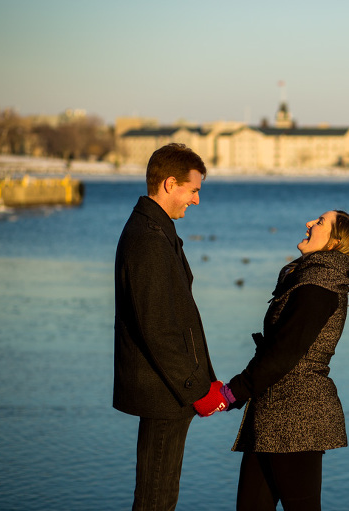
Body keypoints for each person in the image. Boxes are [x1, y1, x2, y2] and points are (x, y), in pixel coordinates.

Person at [193, 210, 349, 511]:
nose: (309, 223)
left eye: (320, 223)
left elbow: (282, 354)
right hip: (273, 415)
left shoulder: (319, 288)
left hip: (297, 418)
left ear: (334, 243)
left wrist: (229, 394)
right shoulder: (312, 279)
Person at [114, 142, 225, 510]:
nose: (196, 200)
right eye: (193, 190)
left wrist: (201, 381)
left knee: (161, 494)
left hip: (171, 389)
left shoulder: (157, 232)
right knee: (155, 499)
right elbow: (158, 329)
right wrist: (196, 389)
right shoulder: (148, 239)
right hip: (165, 392)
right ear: (169, 184)